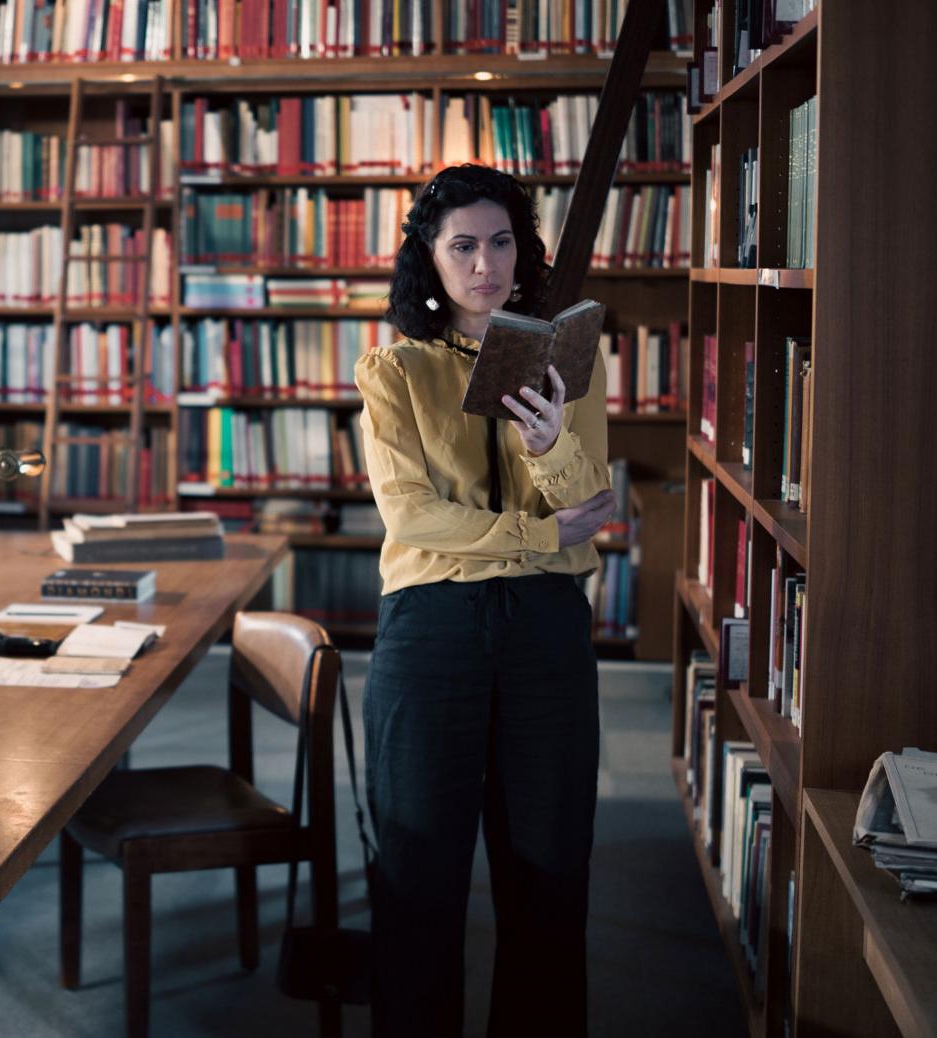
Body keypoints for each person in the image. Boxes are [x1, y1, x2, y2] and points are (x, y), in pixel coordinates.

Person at [355, 163, 617, 1036]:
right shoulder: (394, 371)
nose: (484, 265)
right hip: (432, 627)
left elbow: (588, 507)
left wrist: (548, 446)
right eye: (461, 245)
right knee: (417, 877)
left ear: (523, 250)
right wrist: (540, 534)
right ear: (428, 259)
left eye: (500, 242)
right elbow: (413, 515)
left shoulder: (568, 356)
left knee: (548, 876)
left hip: (544, 630)